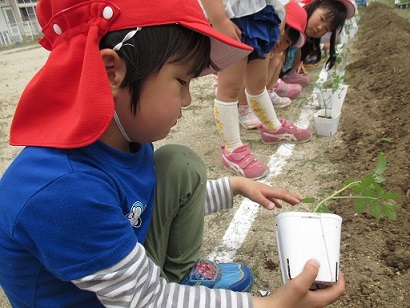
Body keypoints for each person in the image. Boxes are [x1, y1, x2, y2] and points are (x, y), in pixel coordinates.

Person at [0, 0, 347, 306]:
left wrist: (234, 187)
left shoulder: (122, 141)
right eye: (182, 82)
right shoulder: (63, 188)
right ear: (112, 71)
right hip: (106, 300)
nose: (187, 101)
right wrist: (271, 306)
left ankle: (178, 278)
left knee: (179, 164)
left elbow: (144, 206)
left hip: (122, 286)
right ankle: (179, 285)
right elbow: (147, 299)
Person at [201, 0, 312, 180]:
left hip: (264, 15)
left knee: (258, 83)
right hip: (233, 17)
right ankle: (233, 148)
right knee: (230, 88)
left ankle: (272, 128)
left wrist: (280, 16)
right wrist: (219, 19)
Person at [279, 0, 356, 86]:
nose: (319, 28)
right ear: (316, 5)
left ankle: (287, 75)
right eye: (322, 19)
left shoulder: (306, 39)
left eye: (326, 29)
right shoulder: (290, 16)